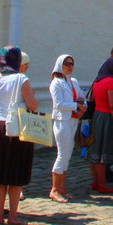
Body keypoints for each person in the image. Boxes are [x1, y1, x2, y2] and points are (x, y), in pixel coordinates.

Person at [0, 46, 38, 225]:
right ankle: (12, 216)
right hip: (16, 128)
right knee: (15, 174)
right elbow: (33, 105)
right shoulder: (21, 78)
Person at [49, 54, 86, 202]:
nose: (69, 67)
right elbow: (58, 104)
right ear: (60, 65)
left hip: (72, 120)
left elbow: (81, 97)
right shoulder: (56, 83)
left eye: (71, 64)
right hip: (62, 121)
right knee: (62, 155)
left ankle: (62, 187)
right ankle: (54, 189)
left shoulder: (73, 82)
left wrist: (83, 107)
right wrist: (75, 106)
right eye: (66, 64)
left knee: (68, 155)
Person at [88, 57, 113, 193]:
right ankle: (102, 184)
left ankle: (95, 181)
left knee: (96, 150)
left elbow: (93, 100)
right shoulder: (110, 81)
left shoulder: (97, 81)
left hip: (98, 116)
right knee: (103, 152)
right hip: (108, 118)